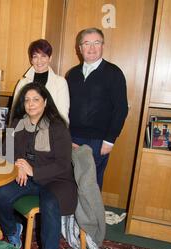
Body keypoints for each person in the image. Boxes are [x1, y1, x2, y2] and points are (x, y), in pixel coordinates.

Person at [0, 82, 77, 249]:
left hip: (56, 179)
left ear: (45, 102)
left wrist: (34, 170)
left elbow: (62, 163)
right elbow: (7, 152)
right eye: (27, 100)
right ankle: (13, 231)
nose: (31, 104)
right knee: (1, 193)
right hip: (27, 177)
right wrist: (19, 165)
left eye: (36, 99)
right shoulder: (17, 123)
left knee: (50, 203)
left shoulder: (58, 126)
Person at [66, 27, 128, 189]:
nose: (92, 48)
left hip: (98, 141)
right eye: (87, 43)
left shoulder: (114, 73)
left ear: (103, 46)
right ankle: (71, 215)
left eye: (96, 43)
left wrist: (110, 141)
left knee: (90, 185)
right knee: (70, 180)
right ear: (80, 48)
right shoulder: (72, 74)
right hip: (73, 137)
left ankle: (91, 215)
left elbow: (121, 109)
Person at [10, 39, 69, 125]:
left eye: (43, 56)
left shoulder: (60, 83)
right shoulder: (22, 83)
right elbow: (14, 114)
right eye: (35, 56)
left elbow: (63, 115)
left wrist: (59, 136)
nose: (39, 61)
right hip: (25, 132)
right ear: (31, 60)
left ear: (50, 58)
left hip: (50, 132)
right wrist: (9, 138)